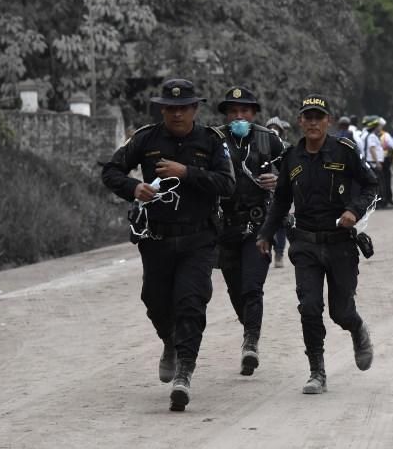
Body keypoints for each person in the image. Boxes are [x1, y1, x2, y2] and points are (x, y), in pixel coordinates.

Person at [101, 78, 235, 411]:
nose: (176, 115)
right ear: (163, 109)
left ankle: (184, 374)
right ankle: (169, 344)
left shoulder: (211, 141)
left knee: (191, 303)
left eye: (183, 108)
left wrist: (187, 172)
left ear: (194, 109)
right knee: (155, 301)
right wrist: (134, 188)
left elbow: (228, 184)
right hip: (156, 238)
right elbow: (111, 171)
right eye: (170, 109)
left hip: (198, 239)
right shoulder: (146, 138)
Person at [256, 94, 378, 395]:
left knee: (340, 311)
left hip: (340, 244)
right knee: (309, 308)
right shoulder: (291, 158)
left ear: (328, 121)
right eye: (307, 117)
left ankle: (357, 329)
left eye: (318, 117)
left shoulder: (345, 151)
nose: (312, 122)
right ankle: (317, 372)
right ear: (300, 121)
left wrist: (353, 210)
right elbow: (281, 200)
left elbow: (372, 185)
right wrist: (266, 234)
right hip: (306, 244)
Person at [214, 86, 284, 376]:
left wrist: (277, 180)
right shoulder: (214, 140)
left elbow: (296, 172)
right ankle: (250, 327)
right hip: (225, 226)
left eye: (244, 111)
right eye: (233, 111)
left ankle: (250, 343)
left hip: (259, 227)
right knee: (235, 289)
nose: (238, 116)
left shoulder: (270, 141)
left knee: (253, 286)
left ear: (254, 113)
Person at [266, 116, 291, 268]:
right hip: (262, 192)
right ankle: (265, 250)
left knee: (281, 223)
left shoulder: (286, 147)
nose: (273, 131)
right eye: (270, 128)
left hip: (280, 191)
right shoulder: (257, 147)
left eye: (276, 128)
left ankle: (279, 253)